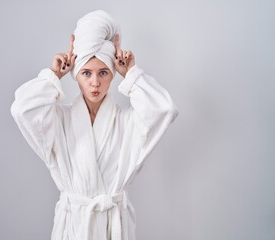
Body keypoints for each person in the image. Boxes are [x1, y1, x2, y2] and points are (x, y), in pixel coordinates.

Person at [11, 10, 178, 240]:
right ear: (75, 74)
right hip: (73, 228)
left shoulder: (126, 122)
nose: (95, 83)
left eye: (103, 72)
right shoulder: (59, 121)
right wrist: (53, 75)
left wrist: (131, 74)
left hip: (114, 228)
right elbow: (22, 109)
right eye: (86, 73)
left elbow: (164, 109)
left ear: (113, 75)